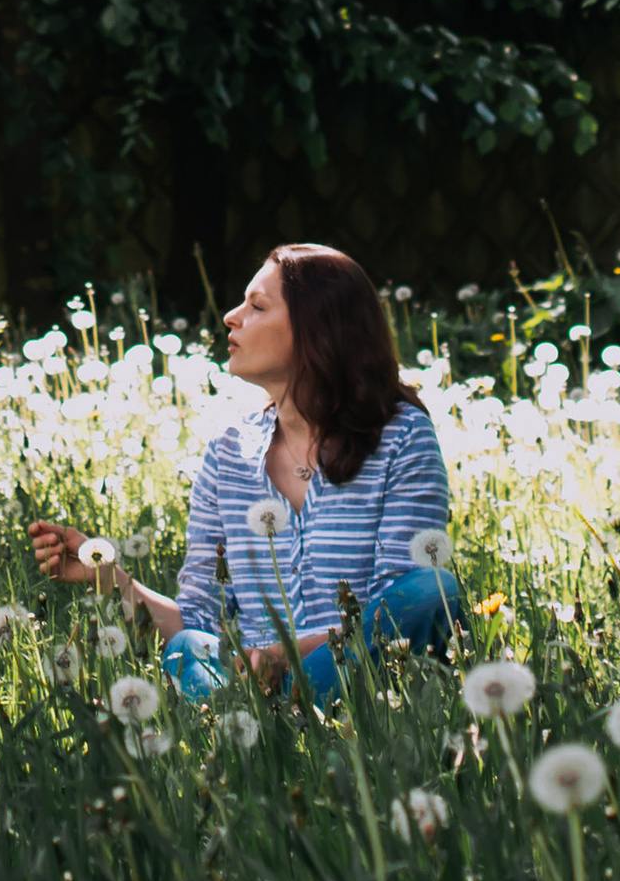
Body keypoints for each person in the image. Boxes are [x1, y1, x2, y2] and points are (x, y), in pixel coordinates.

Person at [31, 244, 461, 704]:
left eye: (257, 306)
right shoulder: (228, 452)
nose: (231, 318)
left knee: (434, 592)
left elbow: (394, 608)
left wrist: (284, 657)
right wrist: (110, 579)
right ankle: (260, 717)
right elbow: (198, 619)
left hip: (357, 677)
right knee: (184, 649)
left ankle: (261, 717)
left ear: (318, 328)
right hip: (255, 678)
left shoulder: (400, 437)